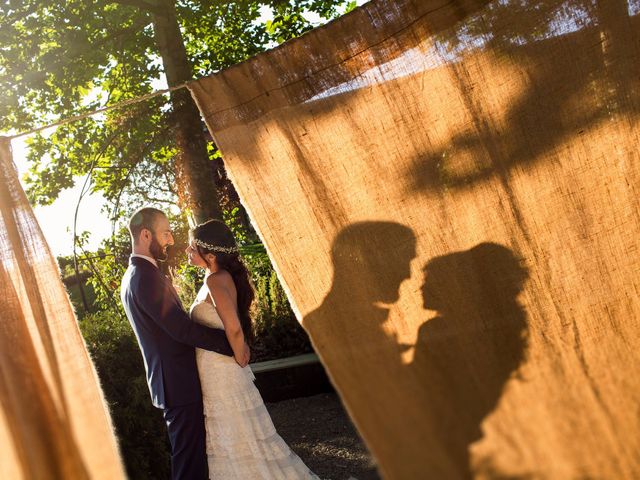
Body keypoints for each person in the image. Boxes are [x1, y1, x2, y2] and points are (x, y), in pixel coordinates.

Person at [120, 207, 248, 480]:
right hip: (177, 383)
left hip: (173, 382)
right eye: (165, 233)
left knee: (191, 460)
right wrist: (230, 345)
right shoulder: (144, 277)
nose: (171, 240)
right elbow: (179, 328)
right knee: (190, 465)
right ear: (146, 234)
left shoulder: (136, 274)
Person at [186, 219, 319, 479]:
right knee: (237, 434)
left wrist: (240, 354)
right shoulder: (214, 277)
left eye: (192, 248)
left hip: (222, 372)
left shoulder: (215, 280)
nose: (188, 252)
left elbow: (233, 327)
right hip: (215, 370)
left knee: (237, 434)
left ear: (210, 255)